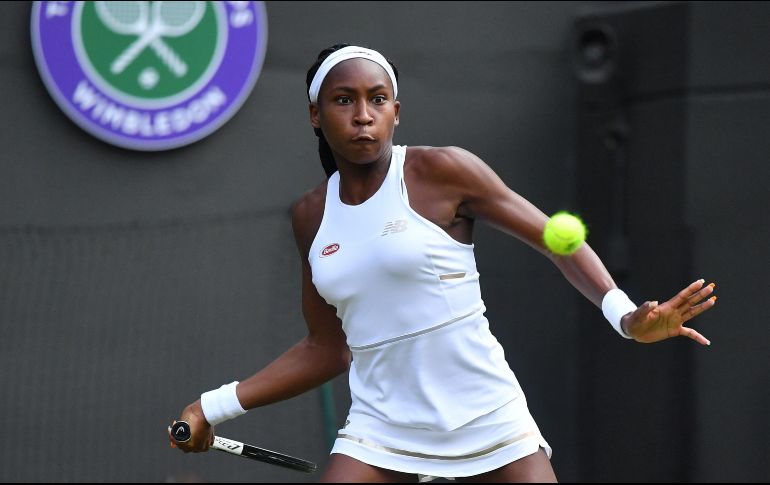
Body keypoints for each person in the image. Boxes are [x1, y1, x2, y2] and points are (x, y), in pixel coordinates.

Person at [169, 44, 717, 482]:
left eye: (378, 99)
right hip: (381, 429)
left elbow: (556, 240)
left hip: (487, 416)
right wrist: (210, 408)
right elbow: (326, 348)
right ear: (316, 114)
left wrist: (625, 318)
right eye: (344, 101)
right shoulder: (311, 216)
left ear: (396, 111)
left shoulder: (442, 171)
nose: (363, 116)